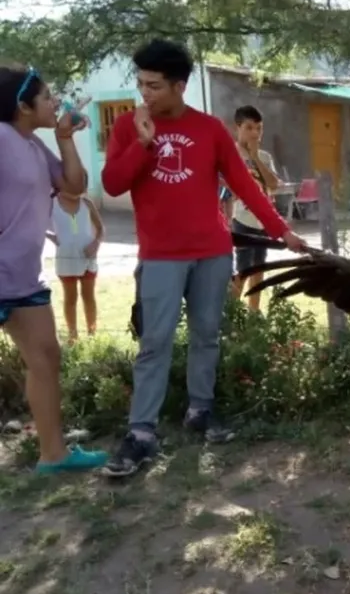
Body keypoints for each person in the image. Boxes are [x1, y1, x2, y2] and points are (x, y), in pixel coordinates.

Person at [100, 39, 306, 478]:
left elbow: (245, 185)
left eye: (153, 85)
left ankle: (200, 410)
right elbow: (114, 184)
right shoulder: (127, 127)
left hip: (212, 252)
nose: (145, 94)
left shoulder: (210, 129)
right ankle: (140, 433)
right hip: (160, 256)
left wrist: (281, 231)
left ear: (179, 85)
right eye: (140, 84)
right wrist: (143, 144)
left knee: (206, 335)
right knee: (154, 343)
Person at [0, 66, 108, 474]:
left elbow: (74, 185)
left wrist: (64, 138)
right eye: (46, 97)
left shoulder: (30, 144)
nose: (54, 102)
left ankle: (53, 455)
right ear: (23, 106)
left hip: (21, 277)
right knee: (43, 357)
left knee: (46, 356)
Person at [229, 105, 281, 311]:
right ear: (238, 127)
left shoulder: (265, 157)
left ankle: (253, 313)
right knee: (243, 270)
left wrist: (256, 157)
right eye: (249, 128)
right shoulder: (230, 154)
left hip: (263, 222)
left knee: (259, 270)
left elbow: (274, 183)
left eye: (259, 128)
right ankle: (231, 313)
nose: (255, 133)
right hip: (241, 220)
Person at [49, 186, 103, 342]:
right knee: (70, 298)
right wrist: (51, 236)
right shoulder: (51, 204)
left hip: (88, 257)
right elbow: (34, 225)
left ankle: (92, 335)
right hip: (66, 259)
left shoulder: (87, 203)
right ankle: (73, 337)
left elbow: (100, 229)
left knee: (89, 297)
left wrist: (96, 243)